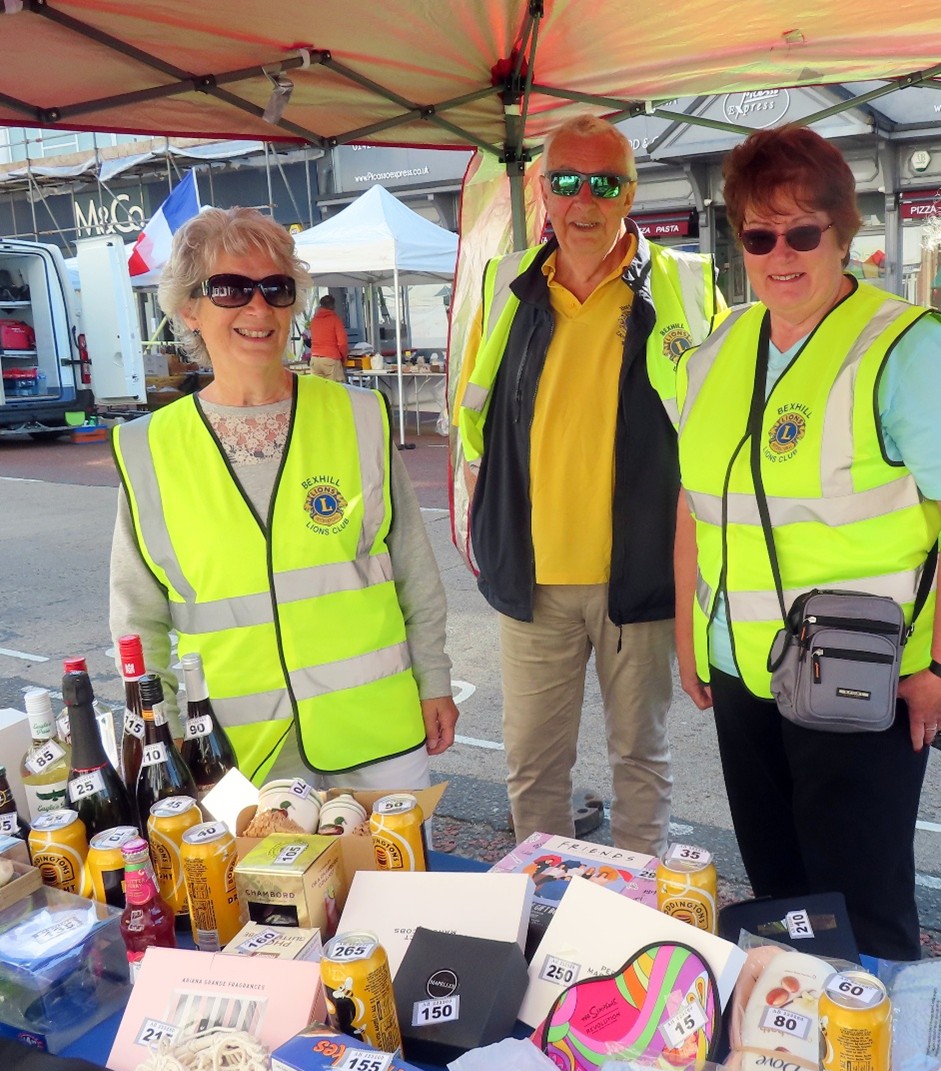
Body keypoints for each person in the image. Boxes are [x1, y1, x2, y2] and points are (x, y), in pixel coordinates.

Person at [674, 125, 941, 960]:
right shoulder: (714, 355)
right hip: (744, 669)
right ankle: (788, 1064)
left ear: (842, 231)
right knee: (782, 897)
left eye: (801, 230)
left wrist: (931, 663)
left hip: (866, 670)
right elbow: (690, 506)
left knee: (860, 904)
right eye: (758, 234)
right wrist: (691, 633)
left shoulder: (903, 347)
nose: (779, 253)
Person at [110, 207, 458, 791]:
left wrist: (434, 679)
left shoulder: (360, 417)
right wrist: (157, 731)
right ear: (189, 308)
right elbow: (136, 619)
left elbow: (414, 571)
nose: (258, 308)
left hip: (377, 733)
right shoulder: (146, 448)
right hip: (236, 750)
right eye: (230, 289)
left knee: (397, 879)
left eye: (276, 288)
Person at [456, 114, 720, 856]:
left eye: (603, 183)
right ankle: (543, 905)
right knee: (533, 764)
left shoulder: (686, 288)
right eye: (566, 181)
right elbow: (472, 419)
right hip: (531, 580)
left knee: (642, 758)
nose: (583, 200)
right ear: (541, 189)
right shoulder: (505, 285)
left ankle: (633, 914)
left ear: (630, 193)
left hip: (638, 577)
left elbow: (719, 440)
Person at [308, 293, 349, 382]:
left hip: (315, 359)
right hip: (330, 359)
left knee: (318, 390)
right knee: (335, 389)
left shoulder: (314, 320)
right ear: (333, 305)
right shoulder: (335, 319)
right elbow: (342, 343)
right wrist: (344, 358)